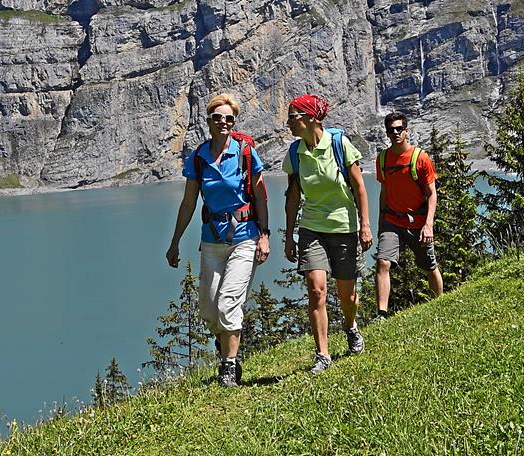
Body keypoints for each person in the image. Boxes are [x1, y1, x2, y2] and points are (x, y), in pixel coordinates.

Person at [166, 93, 270, 388]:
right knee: (209, 309)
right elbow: (188, 203)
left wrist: (265, 235)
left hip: (244, 237)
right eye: (218, 117)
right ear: (208, 121)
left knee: (227, 303)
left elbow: (260, 196)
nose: (224, 122)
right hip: (211, 240)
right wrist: (174, 242)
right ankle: (225, 343)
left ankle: (229, 367)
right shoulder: (198, 158)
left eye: (229, 118)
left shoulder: (245, 152)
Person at [282, 93, 372, 374]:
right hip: (312, 229)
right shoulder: (295, 154)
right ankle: (322, 354)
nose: (288, 123)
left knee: (348, 296)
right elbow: (293, 198)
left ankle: (350, 326)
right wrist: (289, 236)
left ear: (310, 118)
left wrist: (365, 225)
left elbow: (359, 188)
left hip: (344, 227)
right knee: (316, 290)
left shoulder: (339, 144)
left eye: (292, 117)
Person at [373, 111, 442, 316]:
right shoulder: (383, 159)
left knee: (429, 266)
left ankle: (440, 304)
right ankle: (382, 314)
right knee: (383, 262)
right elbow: (384, 192)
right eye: (391, 130)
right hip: (391, 221)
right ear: (386, 133)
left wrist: (428, 224)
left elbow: (432, 194)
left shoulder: (420, 158)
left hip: (418, 223)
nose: (395, 133)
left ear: (406, 131)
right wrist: (380, 223)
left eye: (399, 129)